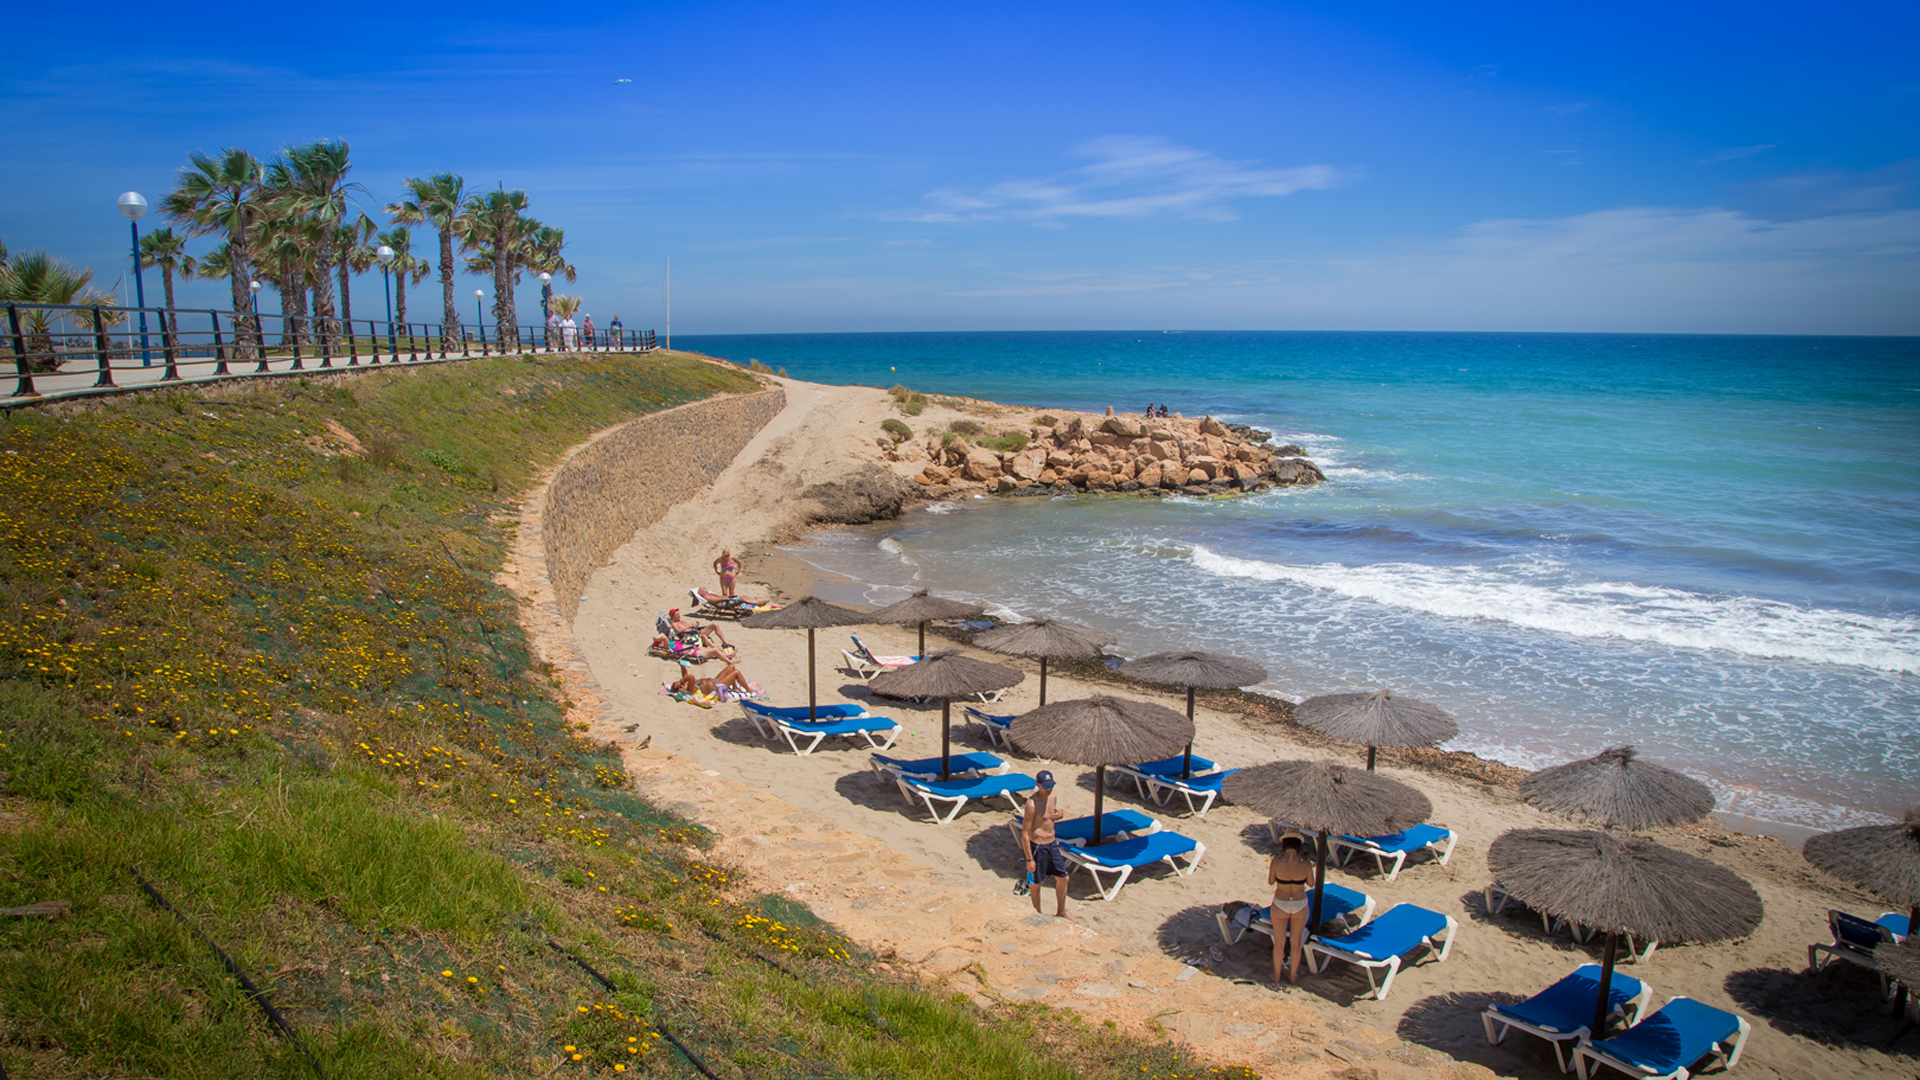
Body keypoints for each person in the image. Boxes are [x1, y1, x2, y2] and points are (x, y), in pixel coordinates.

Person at [1020, 770, 1072, 919]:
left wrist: (1060, 814)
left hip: (1052, 844)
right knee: (1036, 884)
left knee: (1064, 878)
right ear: (1038, 785)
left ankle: (1061, 911)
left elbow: (1051, 816)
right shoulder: (1031, 804)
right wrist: (1029, 859)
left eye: (1051, 785)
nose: (1048, 789)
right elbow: (1025, 833)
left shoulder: (1052, 797)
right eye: (1045, 786)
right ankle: (1038, 913)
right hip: (1038, 847)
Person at [1269, 828, 1316, 984]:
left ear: (1284, 843)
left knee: (1279, 943)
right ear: (1298, 845)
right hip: (1299, 903)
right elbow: (1311, 883)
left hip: (1280, 902)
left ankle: (1276, 976)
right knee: (1296, 944)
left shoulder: (1276, 861)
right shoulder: (1305, 863)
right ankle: (1293, 976)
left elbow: (1270, 881)